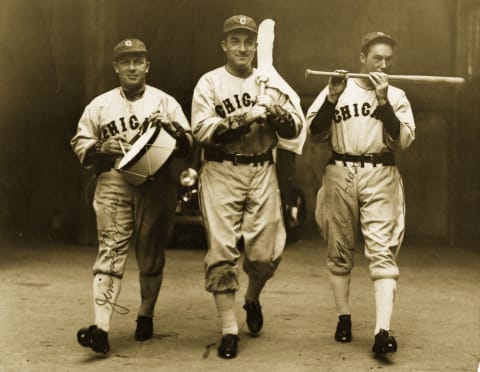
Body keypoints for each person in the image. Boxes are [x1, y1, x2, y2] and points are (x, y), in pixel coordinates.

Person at [191, 15, 305, 359]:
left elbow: (294, 130)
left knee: (265, 255)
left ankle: (252, 297)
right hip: (221, 168)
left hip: (261, 169)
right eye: (235, 41)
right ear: (224, 45)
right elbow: (203, 131)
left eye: (248, 41)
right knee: (222, 252)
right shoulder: (209, 83)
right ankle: (228, 329)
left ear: (257, 46)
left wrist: (275, 114)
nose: (242, 47)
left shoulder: (269, 81)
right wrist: (248, 117)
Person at [71, 38, 193, 354]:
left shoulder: (165, 103)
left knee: (151, 255)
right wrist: (100, 148)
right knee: (110, 251)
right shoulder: (100, 105)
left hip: (156, 182)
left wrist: (172, 128)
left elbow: (189, 146)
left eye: (138, 60)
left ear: (147, 65)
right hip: (114, 179)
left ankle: (145, 314)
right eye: (125, 61)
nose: (132, 67)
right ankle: (101, 328)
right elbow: (80, 142)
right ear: (116, 67)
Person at [306, 32, 415, 355]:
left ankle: (383, 331)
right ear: (362, 58)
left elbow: (402, 141)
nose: (382, 65)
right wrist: (330, 98)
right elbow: (314, 133)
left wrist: (383, 102)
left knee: (382, 251)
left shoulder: (395, 95)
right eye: (377, 58)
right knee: (339, 249)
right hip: (340, 169)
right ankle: (343, 317)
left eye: (388, 60)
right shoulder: (339, 87)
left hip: (380, 170)